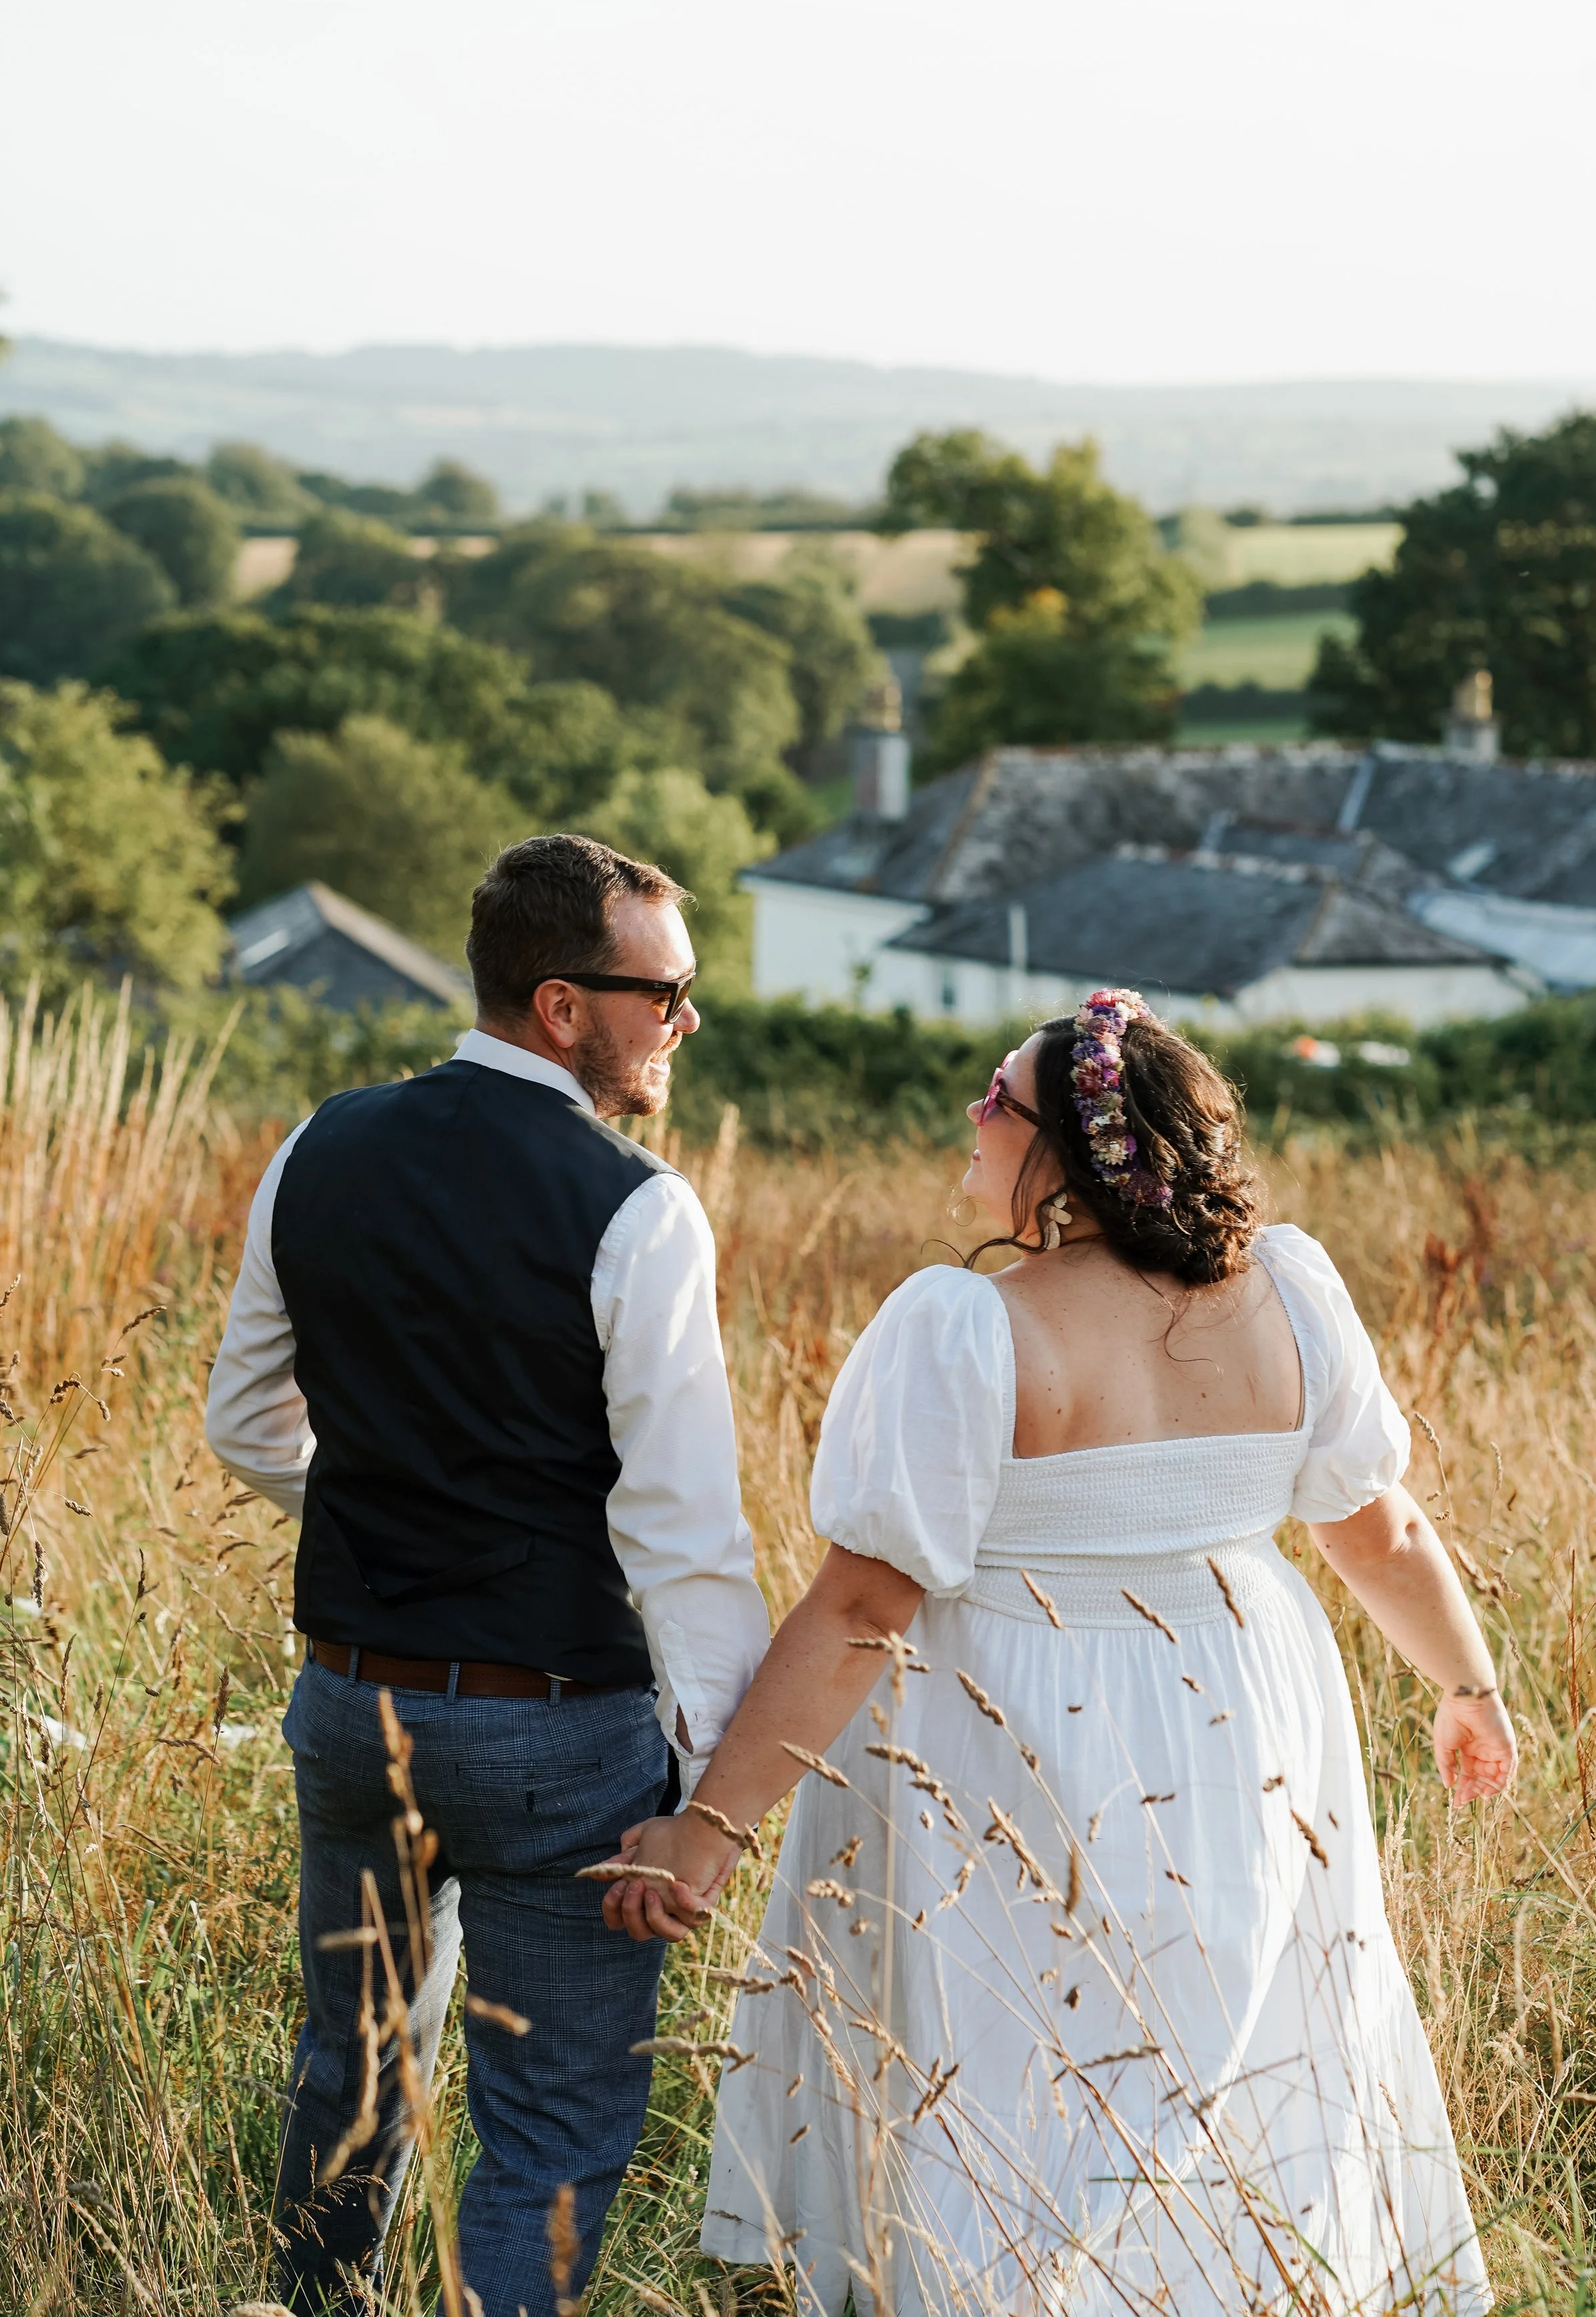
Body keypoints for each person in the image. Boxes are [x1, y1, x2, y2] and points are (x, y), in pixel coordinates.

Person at [605, 989, 1515, 2316]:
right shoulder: (1291, 1299)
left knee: (1008, 2059)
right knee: (1225, 2041)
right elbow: (1373, 1535)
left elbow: (863, 1608)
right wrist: (1464, 1685)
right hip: (1242, 1711)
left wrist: (708, 1829)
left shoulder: (962, 1328)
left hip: (1009, 1723)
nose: (973, 1115)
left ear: (1069, 1157)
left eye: (998, 1100)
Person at [205, 834, 770, 2317]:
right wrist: (718, 1783)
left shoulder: (319, 1142)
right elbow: (682, 1531)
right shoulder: (639, 1206)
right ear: (562, 1004)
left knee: (352, 2073)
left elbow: (241, 1418)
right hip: (555, 1727)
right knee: (552, 2139)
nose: (684, 1022)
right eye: (665, 992)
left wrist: (391, 1520)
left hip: (350, 1712)